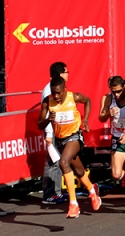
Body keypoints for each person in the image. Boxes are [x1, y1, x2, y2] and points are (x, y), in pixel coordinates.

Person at [38, 76, 101, 218]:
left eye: (59, 92)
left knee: (63, 163)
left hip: (74, 137)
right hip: (60, 141)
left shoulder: (74, 97)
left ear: (65, 89)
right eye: (54, 93)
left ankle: (73, 204)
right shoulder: (48, 102)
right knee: (79, 171)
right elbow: (39, 124)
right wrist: (49, 119)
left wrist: (85, 120)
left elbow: (88, 101)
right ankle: (92, 191)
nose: (56, 96)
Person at [98, 75, 125, 209]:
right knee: (116, 174)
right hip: (117, 136)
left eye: (119, 91)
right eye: (113, 91)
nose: (116, 94)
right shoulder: (109, 99)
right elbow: (101, 118)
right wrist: (108, 114)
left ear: (124, 88)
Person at [41, 62, 69, 205]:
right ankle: (49, 194)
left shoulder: (58, 88)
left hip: (59, 132)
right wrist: (49, 135)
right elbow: (47, 116)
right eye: (66, 72)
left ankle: (57, 193)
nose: (68, 74)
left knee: (58, 163)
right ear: (60, 74)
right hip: (51, 133)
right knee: (52, 163)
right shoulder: (49, 91)